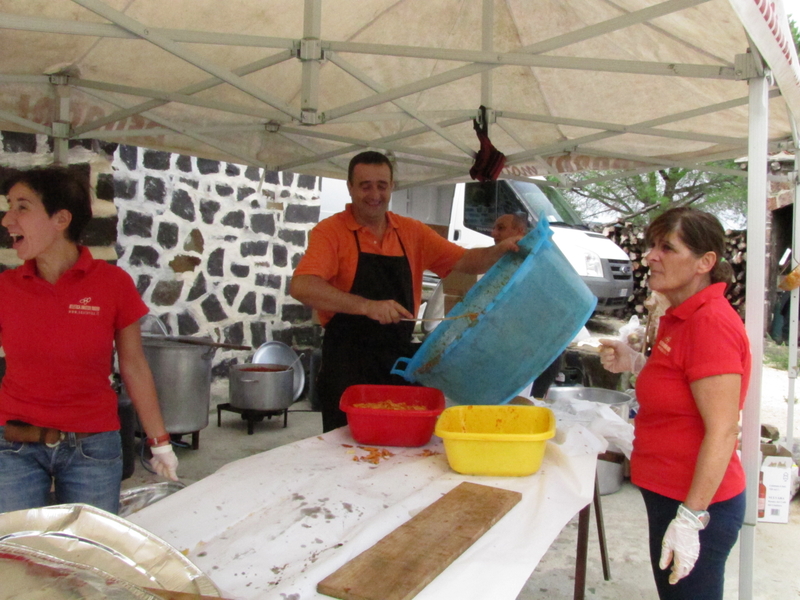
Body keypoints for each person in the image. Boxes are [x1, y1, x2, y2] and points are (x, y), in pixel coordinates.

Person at [291, 151, 522, 431]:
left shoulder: (411, 232)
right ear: (350, 187)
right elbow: (302, 285)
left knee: (397, 451)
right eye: (365, 186)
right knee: (348, 452)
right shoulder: (330, 232)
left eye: (382, 185)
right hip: (347, 366)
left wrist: (499, 249)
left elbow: (465, 260)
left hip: (396, 364)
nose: (374, 194)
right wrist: (367, 306)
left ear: (392, 187)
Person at [0, 166, 178, 515]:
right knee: (19, 554)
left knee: (90, 553)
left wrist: (159, 442)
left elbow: (133, 364)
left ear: (60, 218)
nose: (8, 219)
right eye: (9, 206)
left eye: (22, 206)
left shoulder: (112, 284)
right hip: (15, 444)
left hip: (92, 447)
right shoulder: (5, 288)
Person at [598, 207, 749, 600]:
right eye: (651, 246)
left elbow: (723, 429)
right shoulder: (681, 316)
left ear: (705, 262)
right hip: (668, 491)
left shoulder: (709, 323)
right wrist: (637, 364)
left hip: (697, 501)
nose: (651, 256)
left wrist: (692, 516)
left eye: (667, 247)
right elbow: (685, 384)